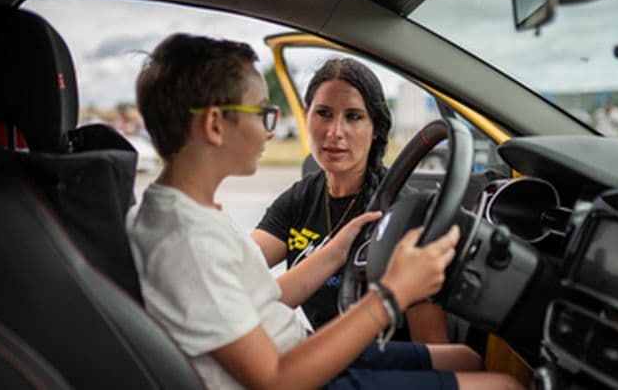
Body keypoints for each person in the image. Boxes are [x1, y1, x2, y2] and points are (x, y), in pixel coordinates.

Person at [127, 33, 523, 390]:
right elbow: (276, 379)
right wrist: (392, 293)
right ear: (215, 125)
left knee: (467, 359)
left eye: (352, 117)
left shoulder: (191, 215)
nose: (270, 129)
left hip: (296, 349)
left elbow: (261, 296)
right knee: (503, 386)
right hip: (297, 374)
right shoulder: (187, 242)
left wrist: (337, 248)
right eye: (263, 113)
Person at [252, 57, 451, 342]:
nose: (335, 132)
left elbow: (433, 351)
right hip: (320, 359)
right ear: (307, 116)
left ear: (376, 128)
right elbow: (239, 270)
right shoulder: (299, 199)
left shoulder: (406, 217)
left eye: (354, 117)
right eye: (324, 113)